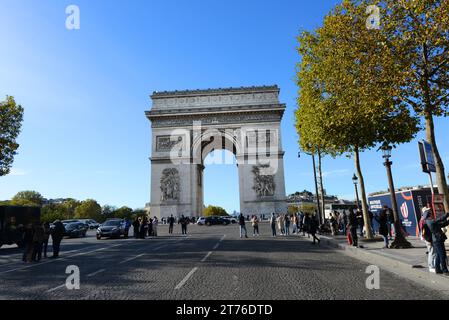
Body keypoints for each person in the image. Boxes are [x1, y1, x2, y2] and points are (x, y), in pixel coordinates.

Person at [424, 210, 449, 275]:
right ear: (428, 215)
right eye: (431, 214)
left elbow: (442, 224)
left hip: (437, 240)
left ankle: (437, 269)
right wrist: (447, 214)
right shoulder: (430, 221)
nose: (432, 215)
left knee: (438, 255)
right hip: (437, 240)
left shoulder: (431, 221)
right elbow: (440, 219)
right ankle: (445, 270)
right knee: (442, 255)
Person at [420, 206, 436, 273]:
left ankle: (433, 265)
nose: (429, 212)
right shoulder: (423, 221)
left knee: (433, 252)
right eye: (427, 211)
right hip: (428, 239)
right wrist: (428, 240)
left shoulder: (425, 219)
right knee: (431, 252)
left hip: (429, 238)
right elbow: (424, 232)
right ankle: (431, 266)